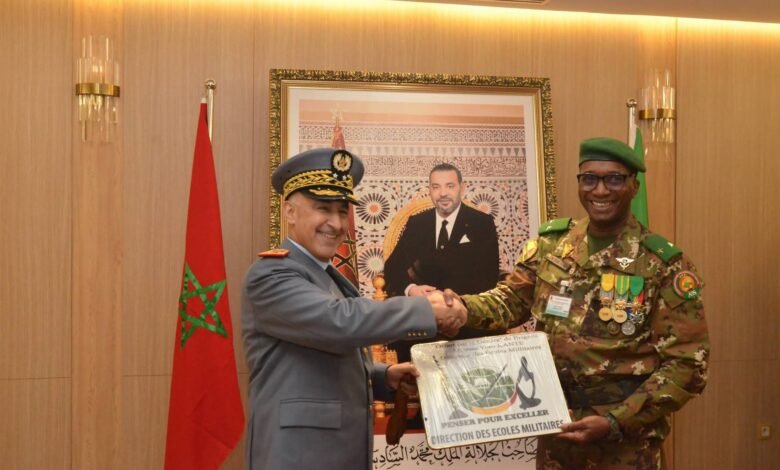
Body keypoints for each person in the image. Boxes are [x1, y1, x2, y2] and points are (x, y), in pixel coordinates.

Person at [447, 137, 710, 468]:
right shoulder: (551, 245)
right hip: (557, 432)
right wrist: (461, 308)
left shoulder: (663, 264)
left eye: (614, 179)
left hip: (625, 446)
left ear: (634, 186)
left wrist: (616, 421)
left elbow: (688, 364)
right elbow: (510, 301)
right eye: (589, 179)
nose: (600, 190)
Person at [241, 147, 465, 470]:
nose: (335, 223)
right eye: (323, 209)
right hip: (296, 458)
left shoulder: (326, 277)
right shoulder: (270, 275)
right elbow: (339, 322)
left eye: (342, 211)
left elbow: (321, 360)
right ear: (290, 212)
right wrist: (425, 310)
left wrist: (383, 377)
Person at [383, 163, 502, 363]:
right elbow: (392, 268)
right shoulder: (417, 223)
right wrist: (411, 289)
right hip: (423, 323)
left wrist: (453, 308)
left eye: (450, 186)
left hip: (465, 322)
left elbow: (487, 278)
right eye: (436, 187)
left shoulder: (481, 223)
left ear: (462, 188)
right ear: (429, 190)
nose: (443, 193)